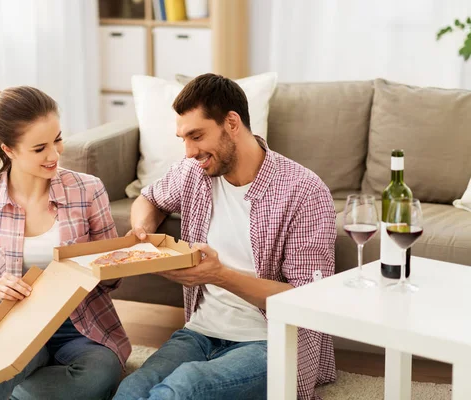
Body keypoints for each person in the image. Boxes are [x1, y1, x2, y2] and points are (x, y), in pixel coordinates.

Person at [114, 74, 337, 400]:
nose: (189, 151)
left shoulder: (302, 191)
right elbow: (149, 199)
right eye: (183, 139)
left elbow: (307, 300)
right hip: (200, 332)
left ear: (232, 123)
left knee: (184, 388)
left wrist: (220, 276)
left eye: (197, 136)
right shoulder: (193, 173)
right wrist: (143, 234)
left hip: (269, 342)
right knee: (132, 389)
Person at [0, 86, 130, 399]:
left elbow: (112, 279)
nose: (54, 155)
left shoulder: (87, 190)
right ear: (8, 150)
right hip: (21, 328)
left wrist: (124, 254)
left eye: (58, 139)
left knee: (99, 377)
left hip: (83, 329)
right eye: (39, 148)